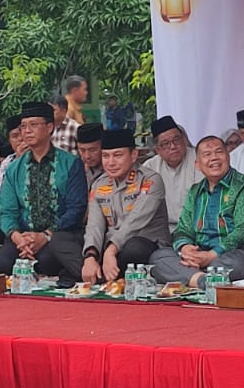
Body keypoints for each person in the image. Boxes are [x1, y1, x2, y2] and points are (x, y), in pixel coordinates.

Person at [157, 135, 244, 288]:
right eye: (207, 154)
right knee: (159, 257)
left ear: (228, 157)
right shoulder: (195, 191)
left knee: (235, 262)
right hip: (201, 257)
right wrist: (186, 249)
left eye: (219, 152)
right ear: (198, 165)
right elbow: (183, 229)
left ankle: (196, 277)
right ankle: (203, 280)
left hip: (243, 254)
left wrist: (212, 255)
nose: (214, 158)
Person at [62, 129, 175, 284]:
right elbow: (94, 225)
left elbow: (135, 223)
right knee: (60, 240)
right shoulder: (99, 184)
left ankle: (92, 276)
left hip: (144, 245)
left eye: (118, 155)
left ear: (133, 155)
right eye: (105, 156)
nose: (111, 162)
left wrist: (111, 250)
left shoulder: (150, 180)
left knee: (134, 247)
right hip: (109, 250)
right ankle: (95, 272)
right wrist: (90, 256)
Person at [0, 101, 85, 279]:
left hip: (58, 235)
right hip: (23, 236)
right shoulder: (14, 168)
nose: (27, 131)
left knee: (46, 262)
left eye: (33, 125)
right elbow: (8, 211)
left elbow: (76, 209)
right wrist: (19, 239)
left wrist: (45, 236)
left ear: (50, 127)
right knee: (2, 263)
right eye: (23, 126)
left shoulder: (71, 163)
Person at [145, 116, 198, 223]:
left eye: (176, 140)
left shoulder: (199, 158)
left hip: (198, 225)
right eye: (166, 144)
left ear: (184, 140)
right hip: (164, 227)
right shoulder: (149, 167)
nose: (173, 146)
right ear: (157, 150)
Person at [73, 123, 105, 195]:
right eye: (82, 150)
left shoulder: (114, 171)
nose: (87, 156)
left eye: (92, 150)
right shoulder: (76, 172)